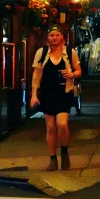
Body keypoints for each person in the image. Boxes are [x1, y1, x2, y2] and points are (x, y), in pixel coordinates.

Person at [29, 25, 82, 171]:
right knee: (51, 128)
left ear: (62, 37)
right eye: (52, 35)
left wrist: (72, 75)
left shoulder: (70, 53)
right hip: (47, 93)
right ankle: (53, 159)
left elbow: (78, 71)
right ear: (48, 37)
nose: (54, 37)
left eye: (57, 35)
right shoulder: (42, 52)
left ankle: (64, 151)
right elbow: (36, 73)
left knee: (62, 124)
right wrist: (34, 95)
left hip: (64, 92)